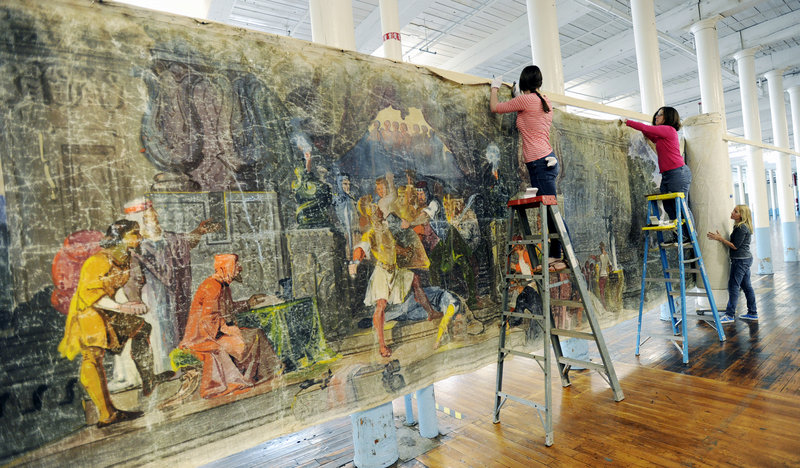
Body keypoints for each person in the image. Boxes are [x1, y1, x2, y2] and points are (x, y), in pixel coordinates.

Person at [58, 220, 173, 428]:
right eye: (134, 234)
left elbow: (126, 284)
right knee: (92, 357)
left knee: (141, 328)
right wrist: (122, 308)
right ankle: (106, 414)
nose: (139, 237)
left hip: (106, 310)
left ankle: (148, 381)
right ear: (120, 238)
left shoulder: (124, 257)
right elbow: (89, 294)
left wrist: (133, 303)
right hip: (87, 313)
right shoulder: (97, 261)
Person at [490, 65, 564, 270]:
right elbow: (529, 117)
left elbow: (495, 107)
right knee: (550, 211)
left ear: (523, 82)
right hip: (546, 159)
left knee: (552, 212)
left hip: (539, 163)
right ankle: (557, 256)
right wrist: (517, 95)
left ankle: (563, 256)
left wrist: (494, 88)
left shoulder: (526, 100)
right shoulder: (544, 100)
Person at [180, 254, 282, 398]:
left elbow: (228, 308)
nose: (239, 270)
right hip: (205, 338)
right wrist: (230, 329)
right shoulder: (213, 287)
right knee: (246, 339)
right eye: (236, 267)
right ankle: (256, 375)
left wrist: (248, 303)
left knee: (257, 333)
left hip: (217, 332)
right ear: (227, 268)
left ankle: (265, 373)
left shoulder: (223, 286)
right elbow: (207, 321)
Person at [626, 107, 692, 240]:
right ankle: (679, 235)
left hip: (677, 173)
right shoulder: (662, 136)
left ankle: (690, 234)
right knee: (669, 206)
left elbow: (647, 129)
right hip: (668, 175)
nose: (656, 116)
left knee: (680, 206)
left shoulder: (668, 129)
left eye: (660, 115)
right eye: (657, 114)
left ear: (668, 117)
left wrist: (627, 122)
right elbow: (650, 135)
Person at [707, 205, 757, 324]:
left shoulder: (741, 228)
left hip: (740, 260)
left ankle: (730, 315)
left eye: (736, 211)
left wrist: (720, 239)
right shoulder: (739, 226)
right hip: (743, 259)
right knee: (746, 287)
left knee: (733, 287)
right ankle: (752, 313)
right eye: (733, 210)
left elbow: (735, 246)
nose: (732, 212)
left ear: (741, 215)